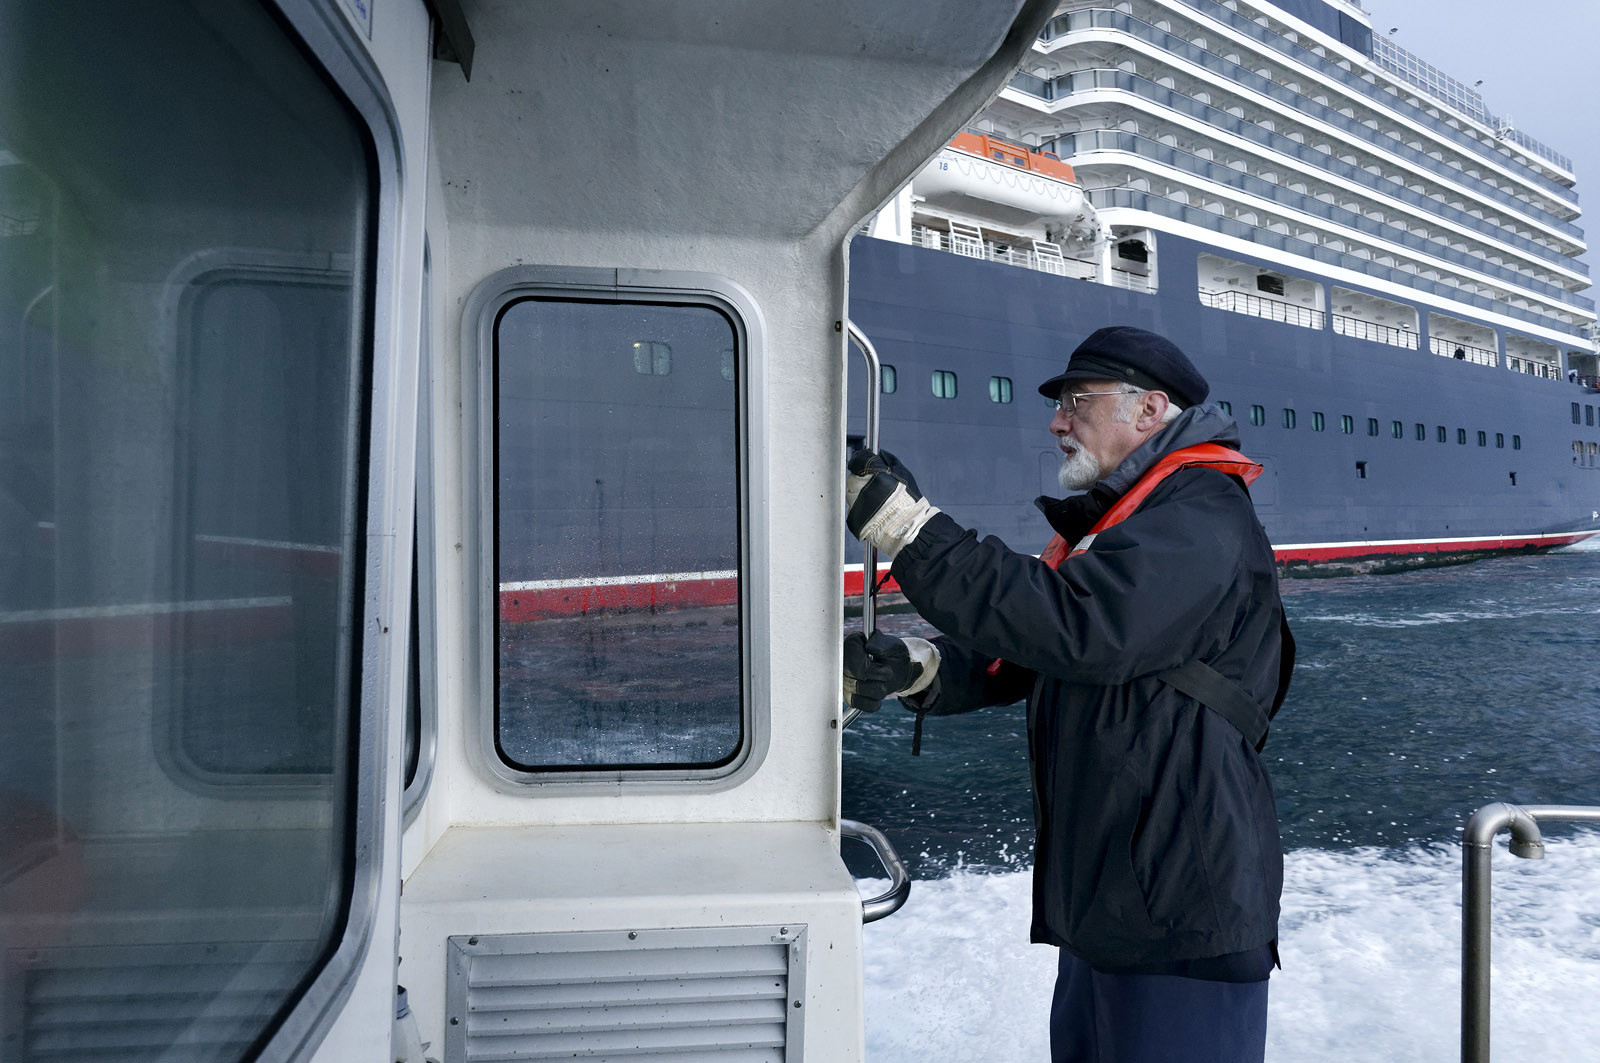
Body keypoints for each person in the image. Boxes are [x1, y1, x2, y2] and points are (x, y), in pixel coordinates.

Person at [842, 325, 1293, 1063]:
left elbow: (1080, 625)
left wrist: (910, 529)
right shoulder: (1141, 516)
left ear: (1149, 411)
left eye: (1077, 402)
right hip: (1115, 904)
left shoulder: (1201, 514)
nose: (1056, 421)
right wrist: (926, 667)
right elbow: (1045, 650)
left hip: (1180, 915)